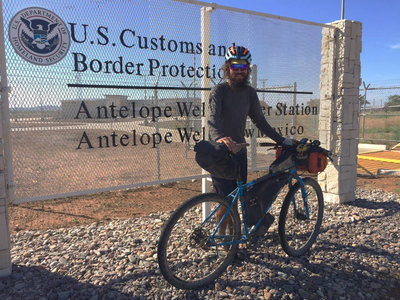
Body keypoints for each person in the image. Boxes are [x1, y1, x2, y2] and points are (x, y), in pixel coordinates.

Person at [207, 45, 288, 235]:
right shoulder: (219, 91)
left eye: (243, 68)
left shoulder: (250, 93)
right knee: (225, 200)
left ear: (248, 70)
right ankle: (222, 238)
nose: (239, 72)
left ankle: (235, 240)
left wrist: (281, 140)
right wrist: (220, 138)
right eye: (235, 67)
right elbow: (212, 120)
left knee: (239, 198)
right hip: (220, 155)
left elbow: (260, 121)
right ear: (227, 68)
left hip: (239, 153)